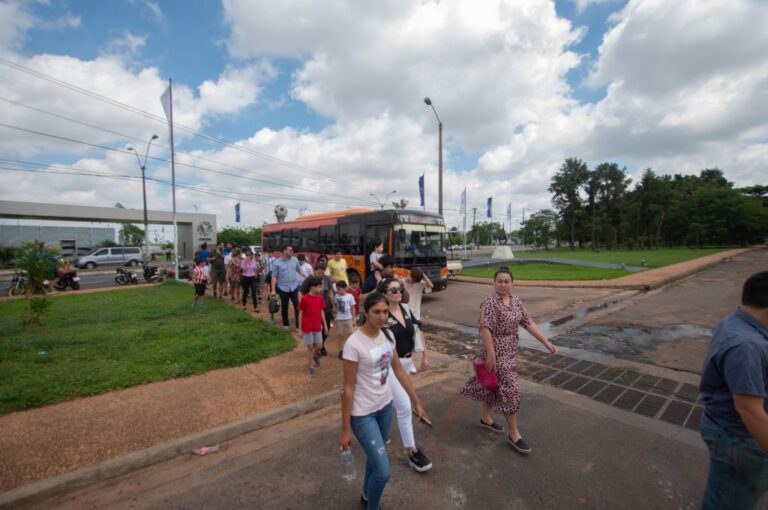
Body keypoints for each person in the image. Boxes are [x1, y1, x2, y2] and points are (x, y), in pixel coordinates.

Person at [339, 292, 430, 510]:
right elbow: (348, 388)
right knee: (383, 471)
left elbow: (399, 371)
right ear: (365, 313)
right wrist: (345, 428)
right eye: (376, 312)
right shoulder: (354, 344)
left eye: (385, 312)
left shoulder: (388, 336)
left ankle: (366, 494)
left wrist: (416, 401)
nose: (382, 317)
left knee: (374, 458)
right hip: (362, 414)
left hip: (384, 407)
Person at [459, 266, 556, 454]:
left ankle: (486, 418)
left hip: (510, 350)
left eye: (507, 281)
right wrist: (491, 354)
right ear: (493, 282)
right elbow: (485, 328)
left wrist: (545, 341)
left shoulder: (516, 301)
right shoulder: (489, 302)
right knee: (511, 389)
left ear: (512, 283)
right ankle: (514, 434)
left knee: (493, 385)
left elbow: (528, 322)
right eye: (499, 281)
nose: (503, 284)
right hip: (495, 351)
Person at [699, 271, 768, 509]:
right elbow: (749, 410)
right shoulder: (747, 346)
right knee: (731, 501)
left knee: (724, 492)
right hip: (738, 436)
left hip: (723, 425)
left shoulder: (733, 322)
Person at [377, 277, 433, 473]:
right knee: (403, 406)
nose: (398, 291)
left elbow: (418, 330)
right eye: (393, 290)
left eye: (399, 288)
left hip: (407, 362)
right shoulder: (382, 316)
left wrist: (425, 355)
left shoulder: (406, 309)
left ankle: (379, 429)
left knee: (389, 401)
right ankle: (412, 450)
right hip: (392, 365)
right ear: (384, 293)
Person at [403, 267, 434, 373]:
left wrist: (423, 274)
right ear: (409, 274)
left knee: (417, 336)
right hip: (404, 313)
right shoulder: (402, 282)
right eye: (412, 278)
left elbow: (430, 285)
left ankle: (423, 358)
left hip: (415, 314)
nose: (412, 282)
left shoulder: (420, 283)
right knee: (407, 338)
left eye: (414, 280)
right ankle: (410, 362)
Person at [301, 262, 334, 356]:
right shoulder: (309, 280)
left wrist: (334, 305)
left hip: (326, 307)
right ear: (315, 271)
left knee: (326, 328)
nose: (321, 275)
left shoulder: (326, 279)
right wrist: (302, 306)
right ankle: (317, 348)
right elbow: (302, 292)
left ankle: (321, 345)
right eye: (319, 273)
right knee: (315, 329)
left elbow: (330, 292)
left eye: (322, 273)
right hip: (313, 309)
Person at [299, 277, 328, 378]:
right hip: (307, 327)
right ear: (312, 287)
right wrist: (300, 329)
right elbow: (301, 314)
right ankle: (310, 367)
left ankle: (315, 356)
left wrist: (325, 326)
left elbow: (321, 311)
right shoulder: (305, 298)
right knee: (310, 347)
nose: (321, 289)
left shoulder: (319, 298)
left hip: (317, 326)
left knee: (319, 346)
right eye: (319, 287)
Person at [271, 245, 302, 331]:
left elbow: (298, 269)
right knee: (285, 306)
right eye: (290, 250)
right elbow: (274, 277)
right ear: (284, 251)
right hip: (283, 288)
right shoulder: (277, 262)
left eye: (292, 250)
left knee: (297, 306)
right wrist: (273, 290)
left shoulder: (295, 260)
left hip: (294, 286)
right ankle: (286, 325)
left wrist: (304, 275)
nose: (292, 251)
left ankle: (298, 326)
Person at [334, 280, 356, 359]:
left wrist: (354, 319)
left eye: (340, 289)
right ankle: (341, 351)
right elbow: (336, 306)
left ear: (345, 288)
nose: (338, 291)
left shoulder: (350, 296)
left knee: (351, 333)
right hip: (340, 318)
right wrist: (335, 313)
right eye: (337, 289)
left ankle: (352, 350)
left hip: (348, 318)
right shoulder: (336, 296)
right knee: (340, 335)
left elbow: (353, 308)